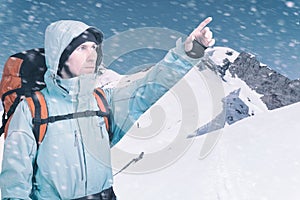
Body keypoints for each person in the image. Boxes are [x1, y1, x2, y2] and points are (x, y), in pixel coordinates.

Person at [0, 17, 215, 199]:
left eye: (93, 48)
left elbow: (151, 87)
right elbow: (16, 179)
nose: (91, 54)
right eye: (82, 48)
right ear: (61, 55)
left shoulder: (103, 100)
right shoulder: (33, 109)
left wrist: (190, 53)